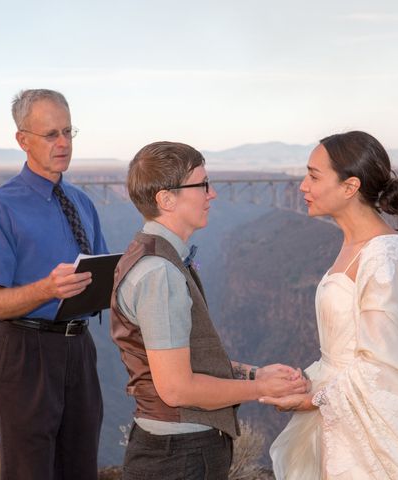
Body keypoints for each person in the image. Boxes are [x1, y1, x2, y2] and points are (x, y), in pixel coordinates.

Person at [110, 141, 308, 480]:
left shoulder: (152, 256)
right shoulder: (161, 273)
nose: (212, 194)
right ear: (166, 199)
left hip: (173, 452)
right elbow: (177, 389)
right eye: (202, 184)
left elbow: (180, 358)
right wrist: (261, 390)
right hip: (179, 457)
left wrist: (253, 373)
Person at [260, 131, 398, 479]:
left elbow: (383, 364)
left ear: (349, 186)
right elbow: (344, 347)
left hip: (366, 434)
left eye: (313, 176)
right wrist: (305, 381)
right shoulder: (351, 246)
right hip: (337, 412)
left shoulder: (384, 255)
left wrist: (313, 400)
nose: (302, 186)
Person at [0, 89, 107, 480]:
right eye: (51, 134)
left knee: (81, 471)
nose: (63, 143)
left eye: (68, 131)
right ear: (22, 140)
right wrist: (47, 288)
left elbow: (102, 275)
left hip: (80, 350)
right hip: (24, 357)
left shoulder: (82, 201)